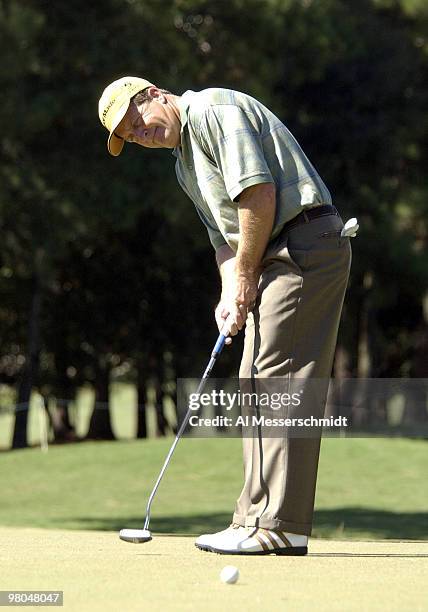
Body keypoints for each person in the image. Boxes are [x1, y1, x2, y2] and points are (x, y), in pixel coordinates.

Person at [98, 76, 352, 556]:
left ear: (155, 94)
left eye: (137, 122)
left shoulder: (214, 112)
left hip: (303, 242)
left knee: (281, 378)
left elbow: (257, 196)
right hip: (272, 251)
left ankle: (281, 524)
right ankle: (253, 518)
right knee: (253, 378)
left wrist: (245, 277)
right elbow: (223, 237)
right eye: (132, 137)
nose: (141, 135)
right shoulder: (184, 164)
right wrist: (228, 291)